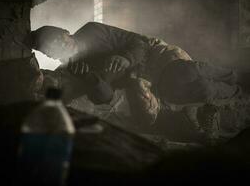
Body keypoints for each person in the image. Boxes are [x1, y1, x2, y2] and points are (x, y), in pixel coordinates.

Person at [25, 22, 247, 142]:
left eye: (57, 40)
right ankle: (233, 95)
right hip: (147, 85)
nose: (57, 48)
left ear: (65, 32)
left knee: (187, 77)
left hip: (155, 59)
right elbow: (103, 97)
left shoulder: (92, 31)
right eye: (51, 50)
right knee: (192, 97)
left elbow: (138, 42)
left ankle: (236, 81)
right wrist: (89, 79)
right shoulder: (73, 69)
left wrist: (125, 57)